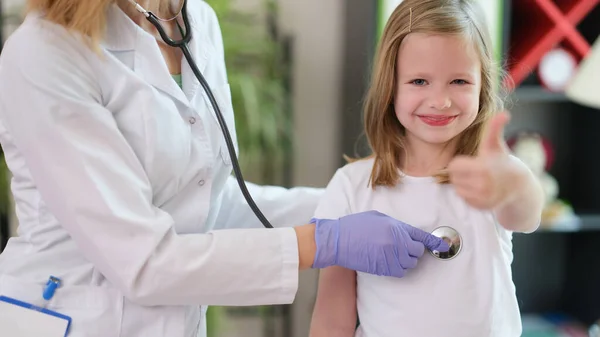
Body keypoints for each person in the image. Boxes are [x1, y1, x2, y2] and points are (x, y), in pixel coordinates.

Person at [0, 0, 449, 336]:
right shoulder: (44, 52)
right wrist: (325, 241)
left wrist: (351, 202)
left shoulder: (194, 19)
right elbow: (142, 262)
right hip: (71, 314)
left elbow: (209, 201)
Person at [308, 0, 545, 336]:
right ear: (390, 86)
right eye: (419, 81)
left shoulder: (492, 177)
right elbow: (332, 316)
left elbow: (525, 212)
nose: (440, 101)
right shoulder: (350, 185)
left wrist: (514, 187)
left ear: (483, 86)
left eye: (459, 82)